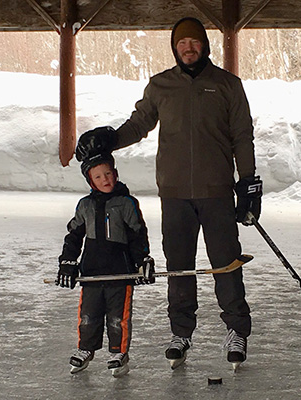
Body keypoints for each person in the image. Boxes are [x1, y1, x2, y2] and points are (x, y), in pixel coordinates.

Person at [75, 17, 262, 370]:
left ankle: (236, 330)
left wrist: (248, 182)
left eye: (194, 42)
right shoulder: (161, 85)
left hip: (216, 191)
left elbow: (242, 135)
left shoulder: (227, 85)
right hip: (174, 193)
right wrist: (110, 138)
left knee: (226, 263)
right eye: (182, 43)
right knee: (179, 267)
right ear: (175, 48)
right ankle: (181, 332)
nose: (188, 48)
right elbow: (139, 123)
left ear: (204, 45)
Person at [57, 151, 155, 377]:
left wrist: (143, 261)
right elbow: (73, 237)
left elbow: (137, 236)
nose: (105, 180)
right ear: (91, 181)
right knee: (88, 316)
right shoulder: (85, 205)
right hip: (91, 273)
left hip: (120, 274)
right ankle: (85, 349)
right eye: (99, 177)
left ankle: (118, 353)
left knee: (117, 318)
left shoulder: (126, 203)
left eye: (108, 174)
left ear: (116, 173)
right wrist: (68, 262)